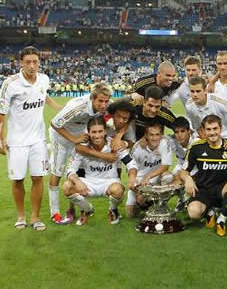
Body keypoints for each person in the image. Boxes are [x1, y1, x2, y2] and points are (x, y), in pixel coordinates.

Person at [0, 46, 61, 231]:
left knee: (38, 178)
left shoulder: (44, 79)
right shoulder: (11, 84)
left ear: (39, 62)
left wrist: (60, 109)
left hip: (38, 140)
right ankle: (21, 216)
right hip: (16, 141)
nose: (32, 66)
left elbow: (44, 96)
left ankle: (35, 217)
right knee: (17, 180)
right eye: (28, 62)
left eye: (35, 62)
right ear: (21, 63)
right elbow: (1, 114)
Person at [48, 82, 112, 224]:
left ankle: (75, 208)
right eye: (100, 101)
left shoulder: (107, 105)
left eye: (106, 101)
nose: (104, 105)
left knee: (79, 172)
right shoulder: (78, 107)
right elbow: (54, 123)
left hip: (80, 137)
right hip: (61, 137)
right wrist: (74, 139)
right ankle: (55, 213)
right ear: (92, 99)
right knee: (57, 172)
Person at [179, 115, 227, 237]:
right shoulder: (196, 148)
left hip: (223, 189)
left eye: (215, 128)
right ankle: (210, 211)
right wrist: (187, 179)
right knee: (193, 213)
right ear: (203, 131)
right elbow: (183, 171)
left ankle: (221, 220)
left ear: (221, 129)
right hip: (203, 189)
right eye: (208, 129)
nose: (212, 133)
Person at [63, 117, 136, 225]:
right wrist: (78, 182)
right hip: (89, 183)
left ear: (105, 131)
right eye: (94, 132)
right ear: (88, 132)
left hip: (109, 182)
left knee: (118, 190)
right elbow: (70, 170)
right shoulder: (82, 148)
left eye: (100, 131)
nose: (97, 135)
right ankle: (87, 210)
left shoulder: (114, 145)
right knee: (67, 186)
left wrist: (132, 176)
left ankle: (112, 210)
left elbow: (131, 163)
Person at [186, 76, 227, 149]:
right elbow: (197, 127)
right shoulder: (189, 106)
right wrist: (205, 139)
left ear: (205, 90)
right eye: (192, 91)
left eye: (198, 91)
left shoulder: (219, 101)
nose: (195, 95)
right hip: (211, 137)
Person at [126, 121, 173, 217]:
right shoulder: (137, 147)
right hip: (140, 179)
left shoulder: (165, 142)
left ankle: (161, 203)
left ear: (161, 135)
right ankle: (148, 203)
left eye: (157, 135)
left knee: (168, 177)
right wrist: (134, 183)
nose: (155, 138)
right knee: (132, 214)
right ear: (146, 135)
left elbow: (165, 166)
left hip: (156, 177)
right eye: (151, 135)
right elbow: (131, 168)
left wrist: (149, 176)